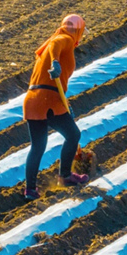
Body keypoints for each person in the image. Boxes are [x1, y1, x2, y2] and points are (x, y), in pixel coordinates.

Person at [22, 14, 89, 200]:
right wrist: (56, 62)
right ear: (79, 31)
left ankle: (30, 189)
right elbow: (56, 45)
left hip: (32, 99)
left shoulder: (48, 45)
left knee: (37, 147)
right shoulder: (65, 38)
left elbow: (53, 46)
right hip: (48, 99)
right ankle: (65, 176)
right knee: (73, 135)